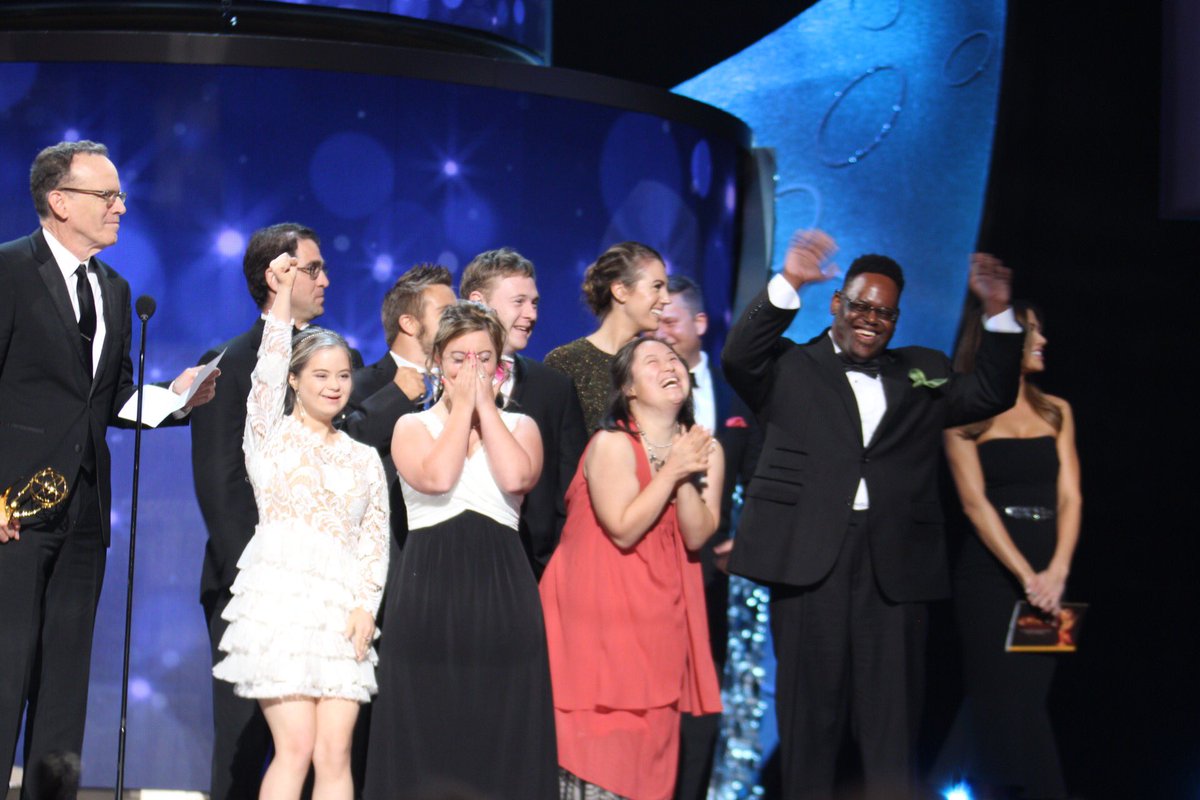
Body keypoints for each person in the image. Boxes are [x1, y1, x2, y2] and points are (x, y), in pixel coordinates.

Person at [721, 231, 1024, 800]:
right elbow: (738, 354)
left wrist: (999, 314)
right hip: (810, 560)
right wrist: (789, 282)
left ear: (896, 319)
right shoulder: (788, 367)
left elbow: (989, 393)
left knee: (892, 726)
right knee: (809, 721)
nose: (870, 319)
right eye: (860, 305)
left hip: (895, 567)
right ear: (837, 302)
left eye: (883, 313)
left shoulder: (922, 370)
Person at [0, 140, 216, 800]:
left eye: (120, 195)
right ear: (59, 202)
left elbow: (109, 397)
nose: (121, 206)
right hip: (12, 516)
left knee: (64, 687)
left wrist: (174, 399)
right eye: (107, 196)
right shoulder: (8, 272)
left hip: (85, 518)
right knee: (5, 675)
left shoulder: (116, 292)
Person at [211, 251, 389, 800]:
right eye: (321, 375)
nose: (335, 386)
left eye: (343, 376)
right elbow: (265, 364)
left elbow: (373, 540)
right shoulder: (268, 437)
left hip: (342, 613)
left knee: (334, 752)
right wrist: (285, 294)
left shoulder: (363, 458)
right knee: (295, 747)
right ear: (294, 378)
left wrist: (366, 606)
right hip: (282, 608)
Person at [363, 302, 556, 800]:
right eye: (458, 358)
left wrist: (485, 409)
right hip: (427, 593)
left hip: (502, 594)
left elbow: (517, 477)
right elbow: (438, 477)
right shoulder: (411, 427)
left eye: (483, 358)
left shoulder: (522, 426)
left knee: (499, 737)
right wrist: (461, 410)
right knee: (429, 736)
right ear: (437, 364)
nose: (471, 369)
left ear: (499, 366)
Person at [540, 337, 724, 800]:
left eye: (673, 360)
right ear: (629, 387)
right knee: (595, 754)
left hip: (659, 625)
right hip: (596, 624)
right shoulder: (611, 443)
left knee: (650, 757)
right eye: (652, 361)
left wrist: (681, 469)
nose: (669, 366)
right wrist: (671, 469)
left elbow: (698, 534)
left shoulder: (706, 450)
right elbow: (622, 526)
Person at [934, 301, 1081, 799]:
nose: (1041, 341)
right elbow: (975, 506)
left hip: (1052, 583)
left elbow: (1070, 496)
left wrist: (1056, 572)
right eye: (1032, 332)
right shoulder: (962, 417)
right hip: (989, 580)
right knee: (998, 699)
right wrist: (1027, 576)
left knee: (1028, 700)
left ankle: (944, 787)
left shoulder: (1057, 409)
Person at [654, 275, 763, 800]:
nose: (663, 333)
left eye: (671, 322)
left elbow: (765, 475)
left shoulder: (737, 395)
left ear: (699, 324)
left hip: (713, 576)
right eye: (655, 322)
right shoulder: (631, 390)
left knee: (702, 700)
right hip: (648, 561)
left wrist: (745, 541)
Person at [459, 247, 587, 577]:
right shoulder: (439, 379)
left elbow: (570, 489)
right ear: (478, 302)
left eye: (534, 303)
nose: (531, 314)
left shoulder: (555, 389)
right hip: (455, 560)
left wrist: (558, 563)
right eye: (519, 302)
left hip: (531, 567)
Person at [544, 241, 669, 433]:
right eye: (657, 287)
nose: (666, 298)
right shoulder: (566, 362)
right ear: (620, 290)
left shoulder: (665, 364)